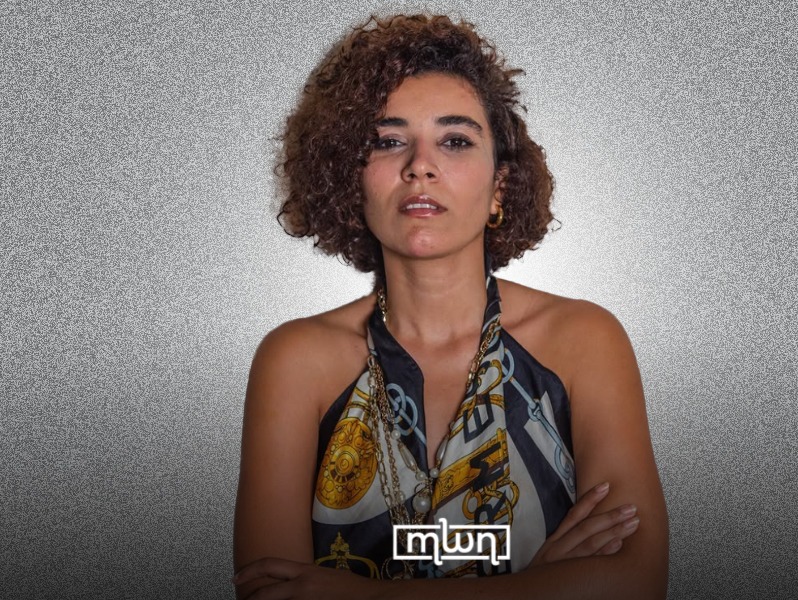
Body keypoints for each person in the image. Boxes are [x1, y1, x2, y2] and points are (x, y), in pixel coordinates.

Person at [233, 14, 668, 600]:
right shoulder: (295, 361)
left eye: (456, 140)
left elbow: (635, 583)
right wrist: (540, 584)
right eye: (388, 141)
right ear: (349, 178)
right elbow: (270, 592)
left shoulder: (583, 341)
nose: (420, 165)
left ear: (499, 187)